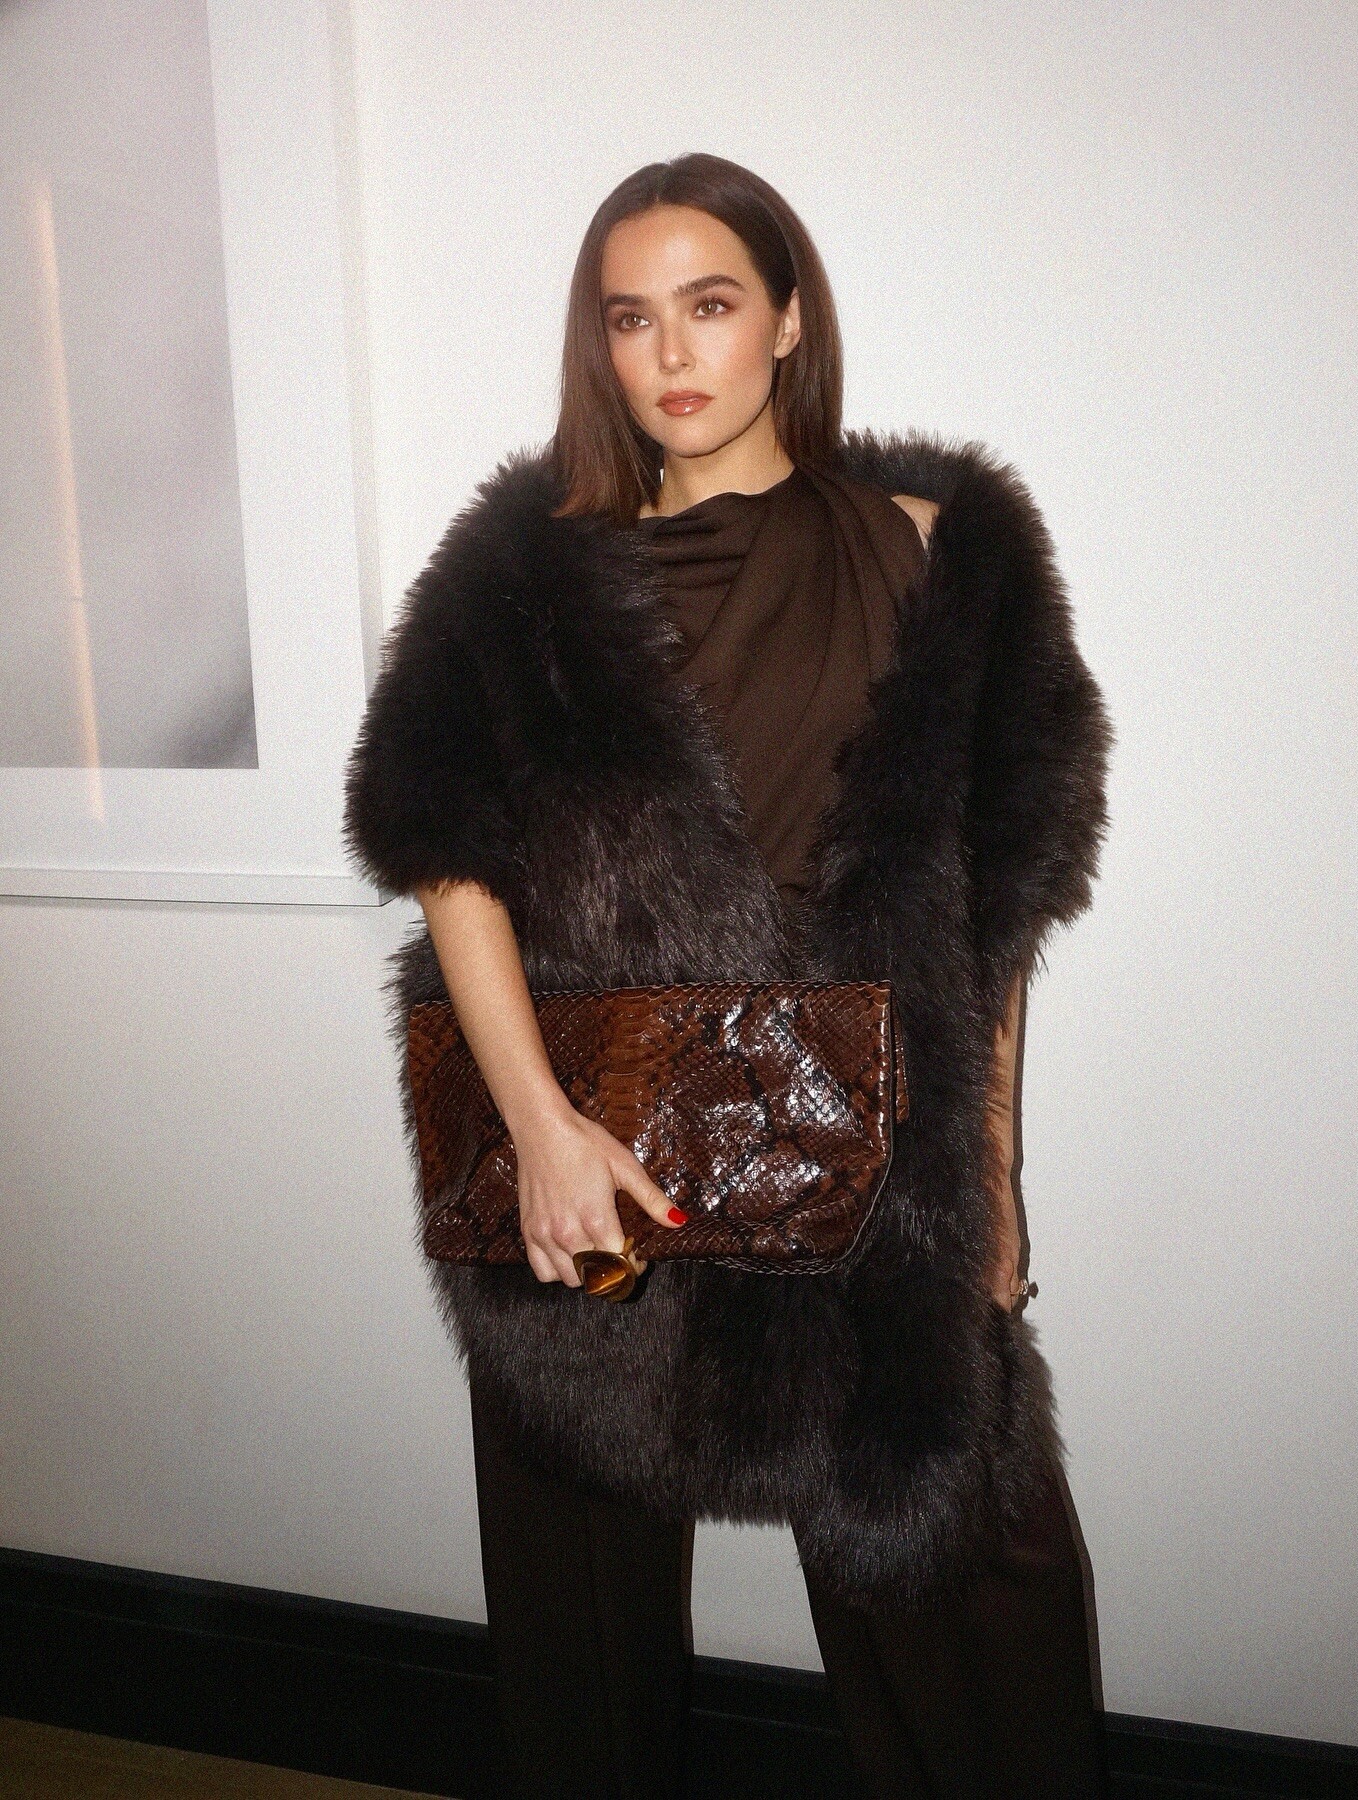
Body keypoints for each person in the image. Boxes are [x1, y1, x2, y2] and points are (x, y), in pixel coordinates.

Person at [344, 152, 1114, 1799]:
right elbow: (449, 860)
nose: (671, 353)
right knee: (580, 1603)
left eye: (709, 304)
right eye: (631, 319)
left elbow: (992, 901)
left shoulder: (935, 550)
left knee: (965, 1582)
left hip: (875, 1149)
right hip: (590, 1134)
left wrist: (991, 1170)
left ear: (788, 318)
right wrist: (540, 1129)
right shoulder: (522, 573)